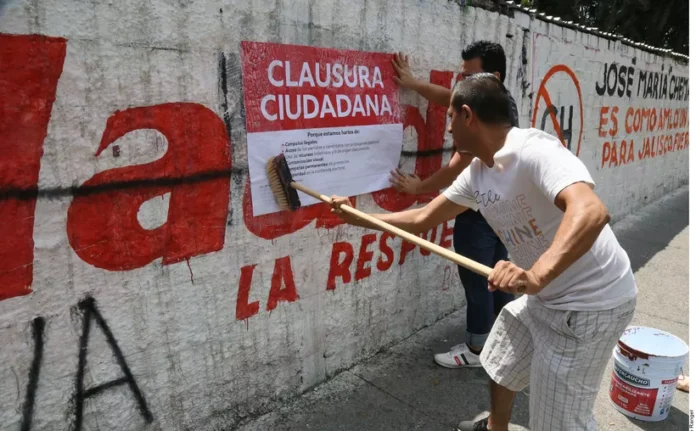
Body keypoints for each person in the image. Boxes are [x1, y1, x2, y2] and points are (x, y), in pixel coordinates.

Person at [328, 73, 638, 431]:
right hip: (547, 297)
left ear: (467, 115)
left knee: (558, 422)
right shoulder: (476, 174)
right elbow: (421, 219)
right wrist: (357, 216)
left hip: (591, 304)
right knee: (500, 359)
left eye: (449, 117)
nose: (447, 130)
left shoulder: (533, 150)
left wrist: (534, 275)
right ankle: (496, 428)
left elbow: (591, 211)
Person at [389, 41, 519, 368]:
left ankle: (476, 351)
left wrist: (421, 186)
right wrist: (414, 83)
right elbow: (447, 97)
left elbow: (459, 165)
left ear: (495, 75)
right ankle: (510, 338)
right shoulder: (496, 103)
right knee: (496, 275)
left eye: (468, 76)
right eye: (460, 76)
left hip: (476, 213)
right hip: (498, 209)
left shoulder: (481, 116)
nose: (461, 85)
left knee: (478, 281)